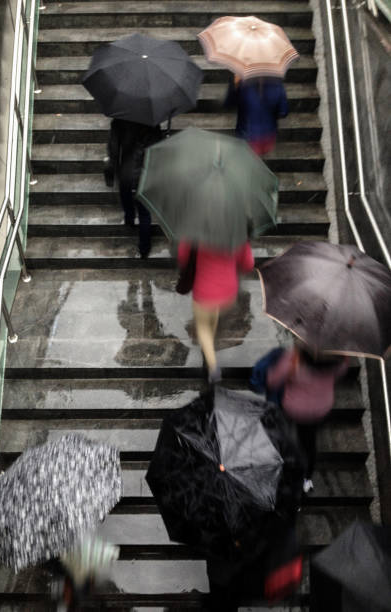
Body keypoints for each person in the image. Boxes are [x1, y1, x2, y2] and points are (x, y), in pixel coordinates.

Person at [266, 341, 348, 492]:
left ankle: (281, 468)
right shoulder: (337, 364)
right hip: (320, 410)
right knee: (309, 443)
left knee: (285, 437)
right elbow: (341, 372)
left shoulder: (293, 361)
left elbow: (273, 381)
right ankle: (306, 478)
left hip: (293, 409)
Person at [177, 240, 254, 383]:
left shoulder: (196, 229)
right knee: (213, 317)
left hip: (204, 289)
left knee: (203, 327)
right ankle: (209, 348)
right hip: (227, 290)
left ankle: (212, 367)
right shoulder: (236, 230)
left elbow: (182, 255)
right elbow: (248, 263)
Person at [106, 118, 163, 258]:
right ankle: (144, 249)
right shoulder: (153, 123)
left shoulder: (118, 121)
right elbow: (157, 149)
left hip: (126, 171)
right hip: (145, 173)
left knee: (125, 197)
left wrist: (111, 170)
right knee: (144, 213)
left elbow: (113, 149)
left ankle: (129, 219)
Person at [224, 75, 288, 155]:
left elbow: (229, 105)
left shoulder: (241, 81)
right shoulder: (277, 84)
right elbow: (283, 112)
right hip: (268, 137)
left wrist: (234, 85)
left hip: (246, 136)